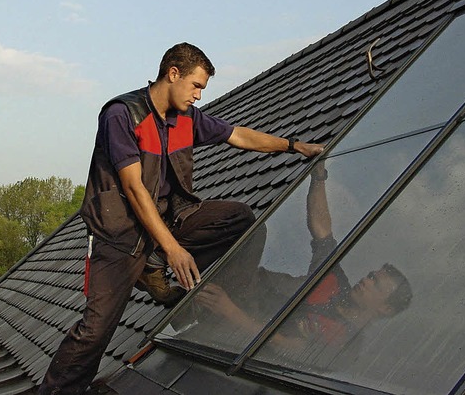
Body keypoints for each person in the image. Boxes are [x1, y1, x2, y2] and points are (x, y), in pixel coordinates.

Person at [38, 42, 324, 394]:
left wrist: (294, 146)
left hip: (167, 221)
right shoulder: (122, 115)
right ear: (173, 73)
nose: (199, 96)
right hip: (121, 236)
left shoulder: (185, 119)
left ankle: (189, 291)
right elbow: (134, 189)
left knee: (239, 218)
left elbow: (240, 136)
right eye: (196, 85)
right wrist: (173, 249)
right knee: (96, 330)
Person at [194, 161, 412, 365]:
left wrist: (229, 311)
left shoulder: (346, 342)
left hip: (228, 342)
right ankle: (188, 292)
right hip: (235, 296)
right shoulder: (336, 282)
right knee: (250, 227)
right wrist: (318, 175)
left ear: (386, 307)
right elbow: (323, 232)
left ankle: (187, 300)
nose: (366, 280)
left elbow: (286, 346)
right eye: (371, 276)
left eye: (375, 284)